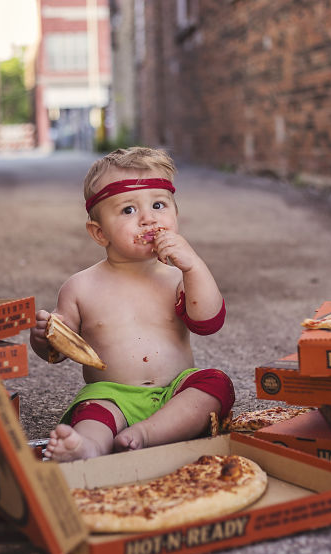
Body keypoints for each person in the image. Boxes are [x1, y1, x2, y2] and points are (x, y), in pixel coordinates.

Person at [29, 147, 235, 461]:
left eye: (158, 205)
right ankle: (88, 447)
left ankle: (146, 434)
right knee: (92, 413)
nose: (148, 218)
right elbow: (58, 351)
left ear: (175, 215)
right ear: (99, 233)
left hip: (173, 390)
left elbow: (209, 322)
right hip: (112, 394)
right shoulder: (80, 287)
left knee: (215, 384)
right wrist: (43, 336)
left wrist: (193, 266)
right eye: (128, 210)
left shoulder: (177, 277)